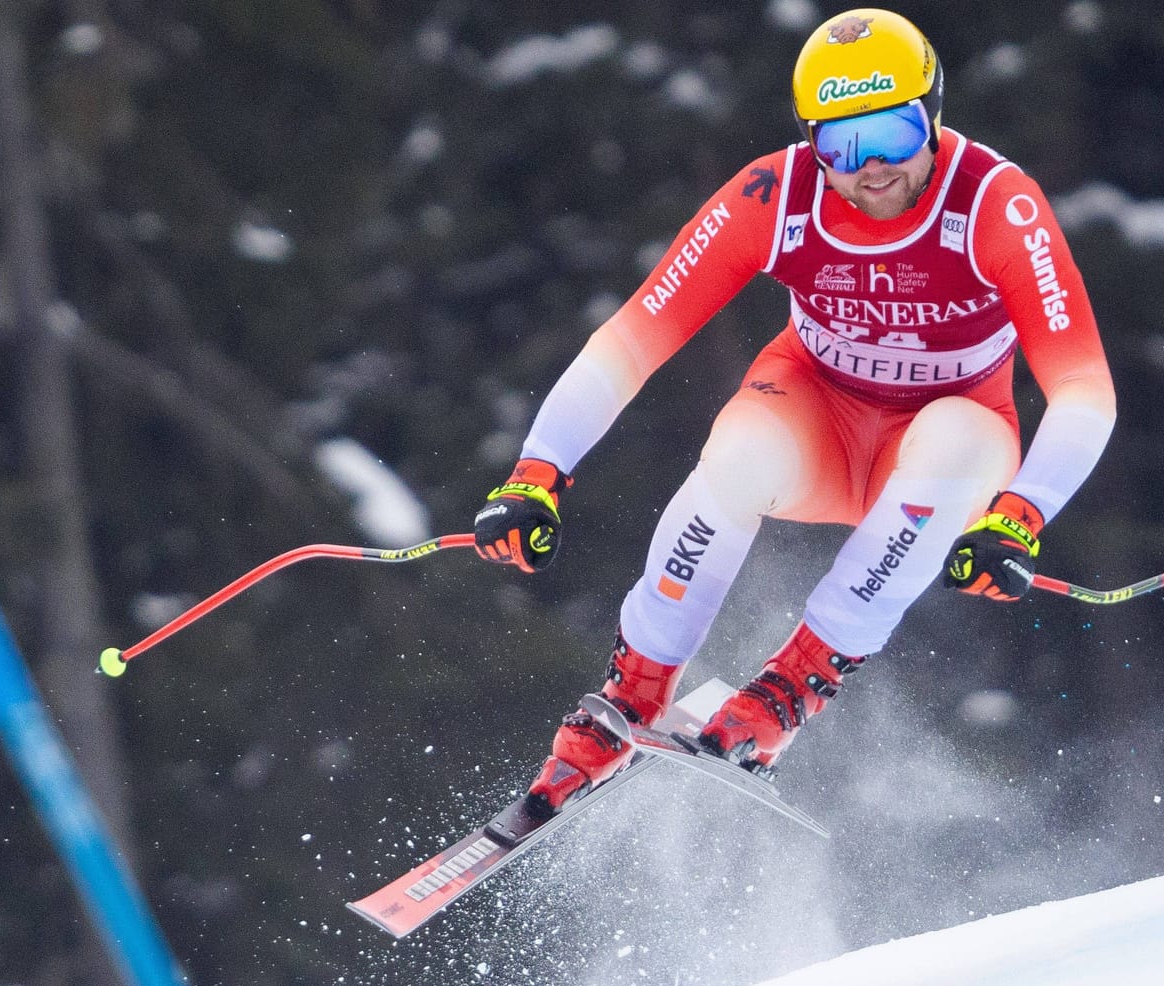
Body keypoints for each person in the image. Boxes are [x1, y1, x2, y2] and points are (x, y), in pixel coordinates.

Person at [473, 8, 1116, 815]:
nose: (871, 168)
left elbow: (1086, 392)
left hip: (942, 441)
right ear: (812, 140)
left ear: (935, 114)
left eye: (892, 132)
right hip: (817, 419)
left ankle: (791, 687)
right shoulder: (775, 196)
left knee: (954, 441)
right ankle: (631, 692)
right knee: (736, 453)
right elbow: (634, 337)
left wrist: (1022, 514)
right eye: (842, 144)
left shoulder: (994, 204)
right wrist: (539, 470)